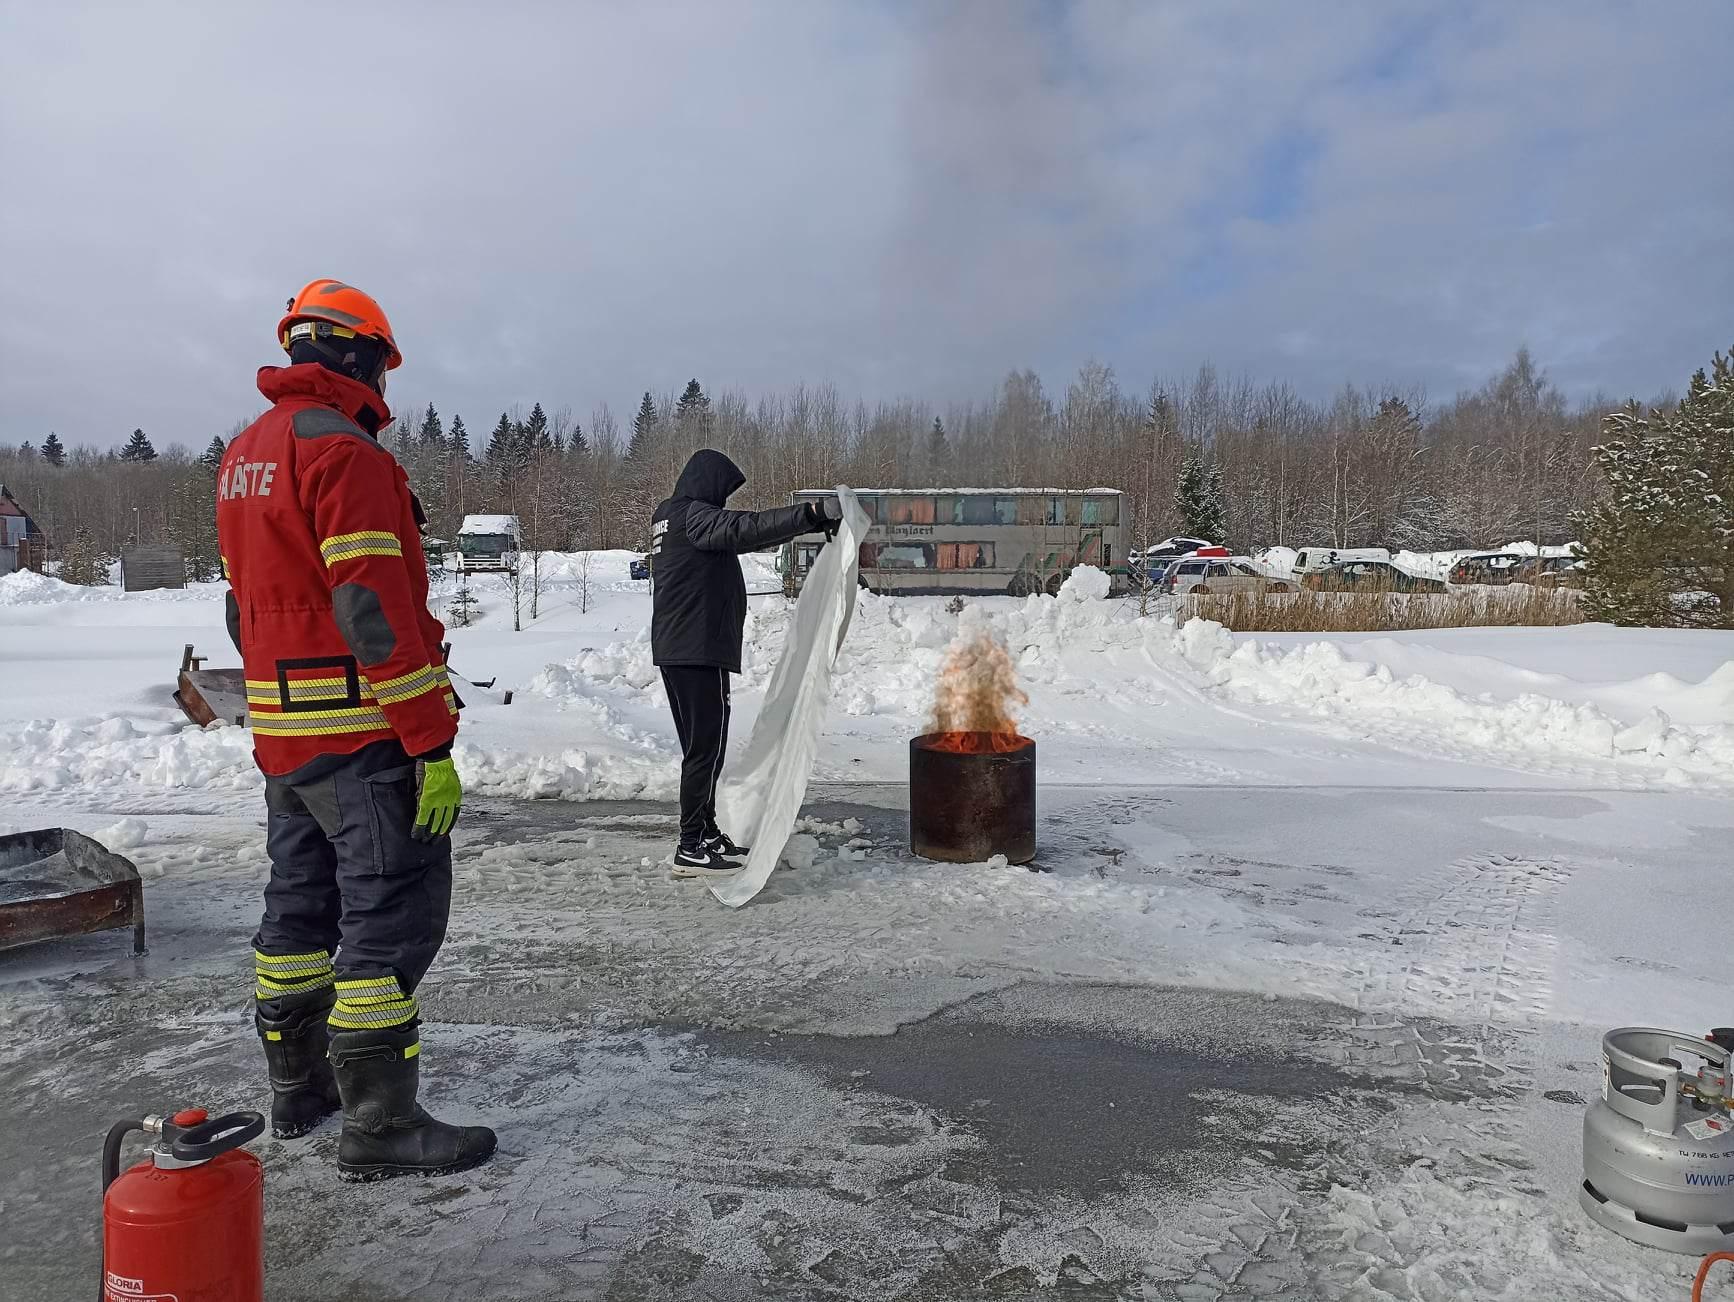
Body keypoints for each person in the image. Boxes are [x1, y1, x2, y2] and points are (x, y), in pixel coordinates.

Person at [216, 278, 494, 1181]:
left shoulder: (246, 454)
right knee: (389, 914)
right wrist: (429, 739)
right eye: (382, 363)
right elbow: (371, 603)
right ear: (358, 355)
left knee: (298, 909)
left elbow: (242, 606)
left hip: (283, 737)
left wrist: (281, 696)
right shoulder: (346, 452)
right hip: (363, 735)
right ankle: (381, 1127)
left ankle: (300, 1091)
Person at [651, 451, 841, 875]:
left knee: (703, 749)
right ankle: (690, 845)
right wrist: (811, 514)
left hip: (679, 648)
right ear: (708, 483)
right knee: (705, 751)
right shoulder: (693, 516)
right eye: (722, 491)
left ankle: (705, 832)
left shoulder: (670, 517)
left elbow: (743, 537)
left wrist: (805, 527)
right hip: (697, 649)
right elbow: (746, 528)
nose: (723, 501)